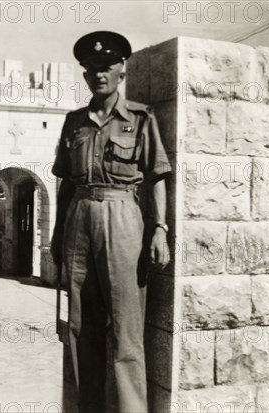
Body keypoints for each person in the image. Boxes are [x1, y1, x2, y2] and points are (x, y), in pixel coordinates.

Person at [50, 31, 171, 412]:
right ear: (85, 74)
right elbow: (66, 185)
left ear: (121, 69)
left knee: (125, 328)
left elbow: (156, 177)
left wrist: (160, 231)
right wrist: (57, 238)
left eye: (106, 67)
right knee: (80, 326)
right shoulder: (74, 123)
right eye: (91, 69)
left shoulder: (139, 118)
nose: (98, 74)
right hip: (79, 219)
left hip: (123, 220)